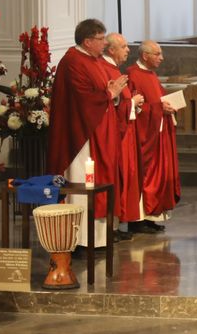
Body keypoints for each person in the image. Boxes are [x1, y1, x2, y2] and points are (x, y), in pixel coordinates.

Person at [46, 19, 123, 249]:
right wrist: (109, 94)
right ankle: (78, 240)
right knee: (81, 182)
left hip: (99, 132)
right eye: (100, 39)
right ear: (87, 41)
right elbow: (83, 99)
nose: (104, 43)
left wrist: (111, 92)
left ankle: (97, 240)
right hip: (81, 136)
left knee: (98, 183)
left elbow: (100, 91)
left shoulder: (93, 60)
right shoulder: (73, 61)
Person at [127, 40, 180, 233]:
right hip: (145, 137)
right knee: (145, 176)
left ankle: (151, 217)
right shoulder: (133, 75)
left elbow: (157, 100)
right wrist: (158, 108)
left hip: (157, 134)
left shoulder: (150, 74)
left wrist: (167, 106)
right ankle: (137, 221)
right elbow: (136, 108)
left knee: (158, 176)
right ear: (145, 55)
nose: (161, 58)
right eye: (157, 54)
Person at [103, 34, 143, 239]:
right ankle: (112, 227)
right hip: (117, 136)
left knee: (124, 178)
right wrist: (132, 103)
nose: (128, 50)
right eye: (124, 46)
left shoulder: (114, 69)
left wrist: (133, 105)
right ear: (111, 50)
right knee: (117, 178)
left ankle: (117, 225)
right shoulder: (106, 70)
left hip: (125, 134)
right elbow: (110, 105)